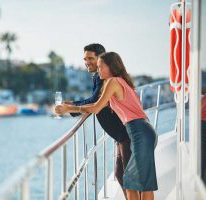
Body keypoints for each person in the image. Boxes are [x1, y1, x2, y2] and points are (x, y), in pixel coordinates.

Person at [55, 52, 158, 200]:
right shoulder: (121, 81)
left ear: (111, 66)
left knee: (135, 182)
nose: (98, 71)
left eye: (100, 67)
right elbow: (96, 104)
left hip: (138, 132)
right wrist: (71, 106)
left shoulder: (113, 82)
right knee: (137, 182)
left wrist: (70, 109)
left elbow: (96, 107)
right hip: (142, 130)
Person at [64, 43, 131, 199]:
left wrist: (71, 108)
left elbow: (95, 102)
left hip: (127, 134)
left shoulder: (107, 79)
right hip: (121, 136)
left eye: (90, 58)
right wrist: (72, 105)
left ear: (101, 58)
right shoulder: (98, 77)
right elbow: (93, 100)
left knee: (128, 178)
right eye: (85, 59)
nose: (87, 62)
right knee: (121, 174)